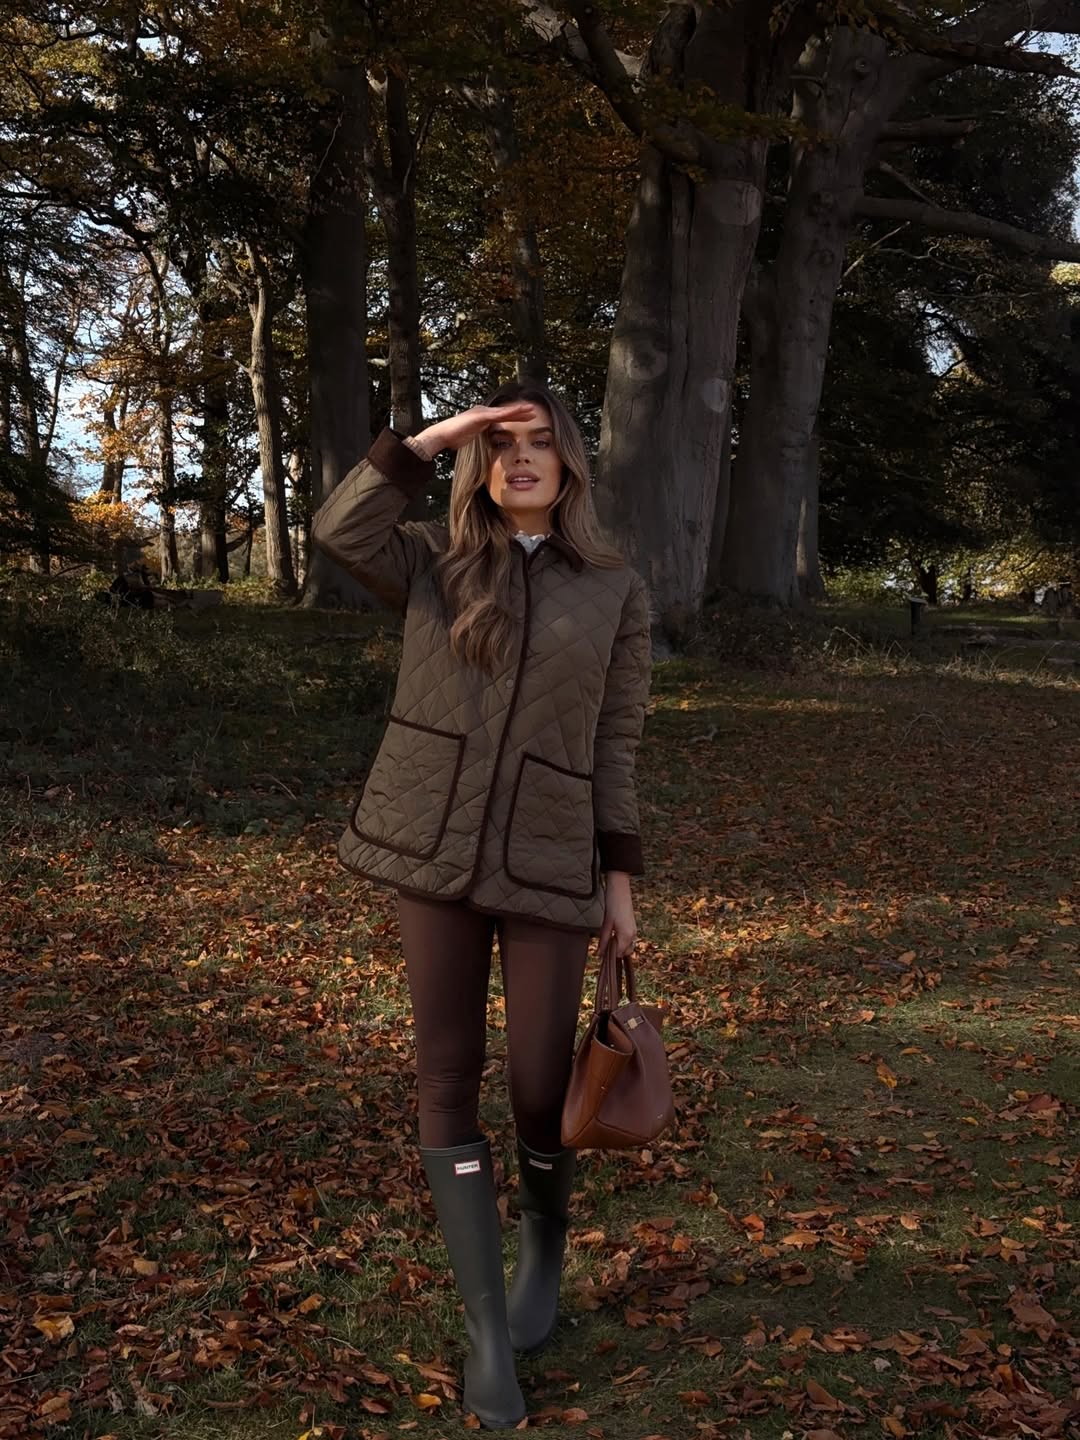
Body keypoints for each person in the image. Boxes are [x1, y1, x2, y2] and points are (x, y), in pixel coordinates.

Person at [311, 381, 652, 1429]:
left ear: (572, 464)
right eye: (500, 447)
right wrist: (428, 439)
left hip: (551, 857)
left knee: (543, 1082)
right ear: (478, 464)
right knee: (444, 1075)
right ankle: (485, 1330)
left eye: (540, 444)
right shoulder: (431, 560)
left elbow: (617, 740)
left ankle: (542, 1242)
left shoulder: (616, 587)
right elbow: (338, 527)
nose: (519, 461)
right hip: (431, 847)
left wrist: (620, 879)